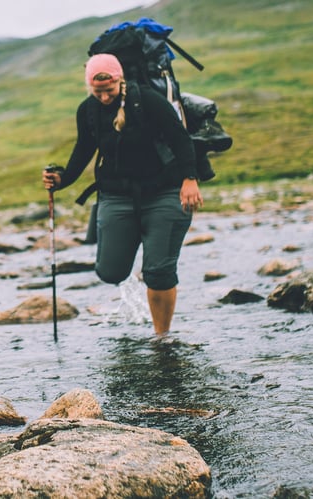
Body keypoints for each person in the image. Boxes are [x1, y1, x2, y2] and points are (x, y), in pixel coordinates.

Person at [42, 53, 202, 335]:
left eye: (109, 90)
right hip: (116, 196)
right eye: (97, 91)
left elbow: (180, 138)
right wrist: (61, 179)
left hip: (164, 192)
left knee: (158, 273)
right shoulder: (88, 110)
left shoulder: (149, 101)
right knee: (110, 272)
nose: (104, 97)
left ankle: (161, 338)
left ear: (120, 81)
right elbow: (83, 151)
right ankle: (137, 243)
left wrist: (190, 179)